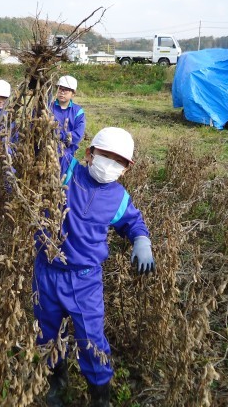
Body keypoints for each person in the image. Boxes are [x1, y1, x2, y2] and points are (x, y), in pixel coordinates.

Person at [33, 127, 155, 407]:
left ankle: (100, 394)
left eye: (119, 161)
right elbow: (39, 143)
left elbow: (133, 222)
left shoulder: (119, 198)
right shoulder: (66, 170)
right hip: (47, 271)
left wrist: (142, 240)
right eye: (105, 156)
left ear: (126, 169)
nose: (110, 164)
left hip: (84, 279)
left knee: (91, 338)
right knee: (47, 330)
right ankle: (56, 379)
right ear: (89, 154)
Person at [51, 75, 86, 162]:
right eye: (60, 88)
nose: (62, 92)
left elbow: (78, 134)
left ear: (73, 94)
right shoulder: (48, 107)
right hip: (48, 149)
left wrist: (61, 136)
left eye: (66, 90)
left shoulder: (78, 111)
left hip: (68, 152)